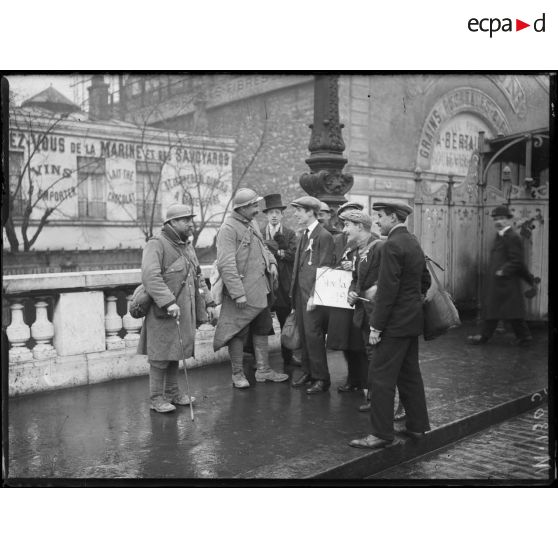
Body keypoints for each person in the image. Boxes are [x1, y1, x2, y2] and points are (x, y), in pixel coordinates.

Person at [349, 201, 431, 449]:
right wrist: (410, 304)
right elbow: (424, 281)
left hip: (393, 324)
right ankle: (417, 426)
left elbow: (386, 292)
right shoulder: (412, 241)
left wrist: (376, 327)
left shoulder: (392, 245)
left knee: (381, 378)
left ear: (394, 218)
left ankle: (381, 434)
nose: (377, 221)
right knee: (409, 376)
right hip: (410, 322)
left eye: (381, 216)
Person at [138, 204, 212, 413]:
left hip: (183, 309)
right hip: (163, 310)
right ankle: (155, 398)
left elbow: (198, 276)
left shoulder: (186, 245)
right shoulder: (156, 244)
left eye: (190, 219)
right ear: (171, 223)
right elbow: (150, 276)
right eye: (185, 220)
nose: (190, 223)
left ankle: (172, 392)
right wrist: (169, 302)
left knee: (175, 351)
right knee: (160, 355)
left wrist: (209, 301)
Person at [213, 188, 289, 388]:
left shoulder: (252, 222)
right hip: (241, 293)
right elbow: (226, 264)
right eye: (254, 206)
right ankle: (238, 375)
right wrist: (238, 294)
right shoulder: (228, 229)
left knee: (262, 328)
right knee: (237, 332)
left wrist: (271, 262)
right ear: (243, 208)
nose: (257, 210)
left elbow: (262, 247)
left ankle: (263, 371)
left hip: (260, 289)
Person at [467, 205, 533, 346]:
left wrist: (504, 270)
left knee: (508, 311)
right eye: (496, 219)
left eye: (502, 219)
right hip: (499, 283)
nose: (498, 222)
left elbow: (517, 260)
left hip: (506, 282)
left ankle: (523, 337)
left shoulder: (512, 237)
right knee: (497, 309)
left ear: (509, 220)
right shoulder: (500, 236)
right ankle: (486, 336)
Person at [289, 196, 335, 394]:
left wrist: (314, 297)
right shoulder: (306, 234)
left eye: (299, 210)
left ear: (310, 212)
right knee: (305, 336)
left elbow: (325, 268)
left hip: (312, 296)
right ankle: (308, 371)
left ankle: (321, 378)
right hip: (300, 294)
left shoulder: (323, 236)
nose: (296, 214)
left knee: (314, 336)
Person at [326, 201, 369, 395]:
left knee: (362, 343)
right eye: (344, 220)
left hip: (362, 300)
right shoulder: (337, 241)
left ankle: (366, 382)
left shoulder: (372, 239)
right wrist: (340, 268)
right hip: (343, 300)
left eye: (352, 218)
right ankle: (352, 378)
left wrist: (353, 268)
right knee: (347, 342)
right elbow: (330, 266)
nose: (346, 226)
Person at [260, 193, 300, 371]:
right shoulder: (260, 232)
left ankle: (288, 357)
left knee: (286, 321)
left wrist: (276, 251)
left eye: (277, 212)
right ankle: (260, 361)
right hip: (264, 283)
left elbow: (293, 256)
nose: (274, 215)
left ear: (282, 214)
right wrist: (280, 252)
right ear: (266, 215)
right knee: (261, 321)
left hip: (284, 285)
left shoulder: (290, 233)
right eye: (270, 213)